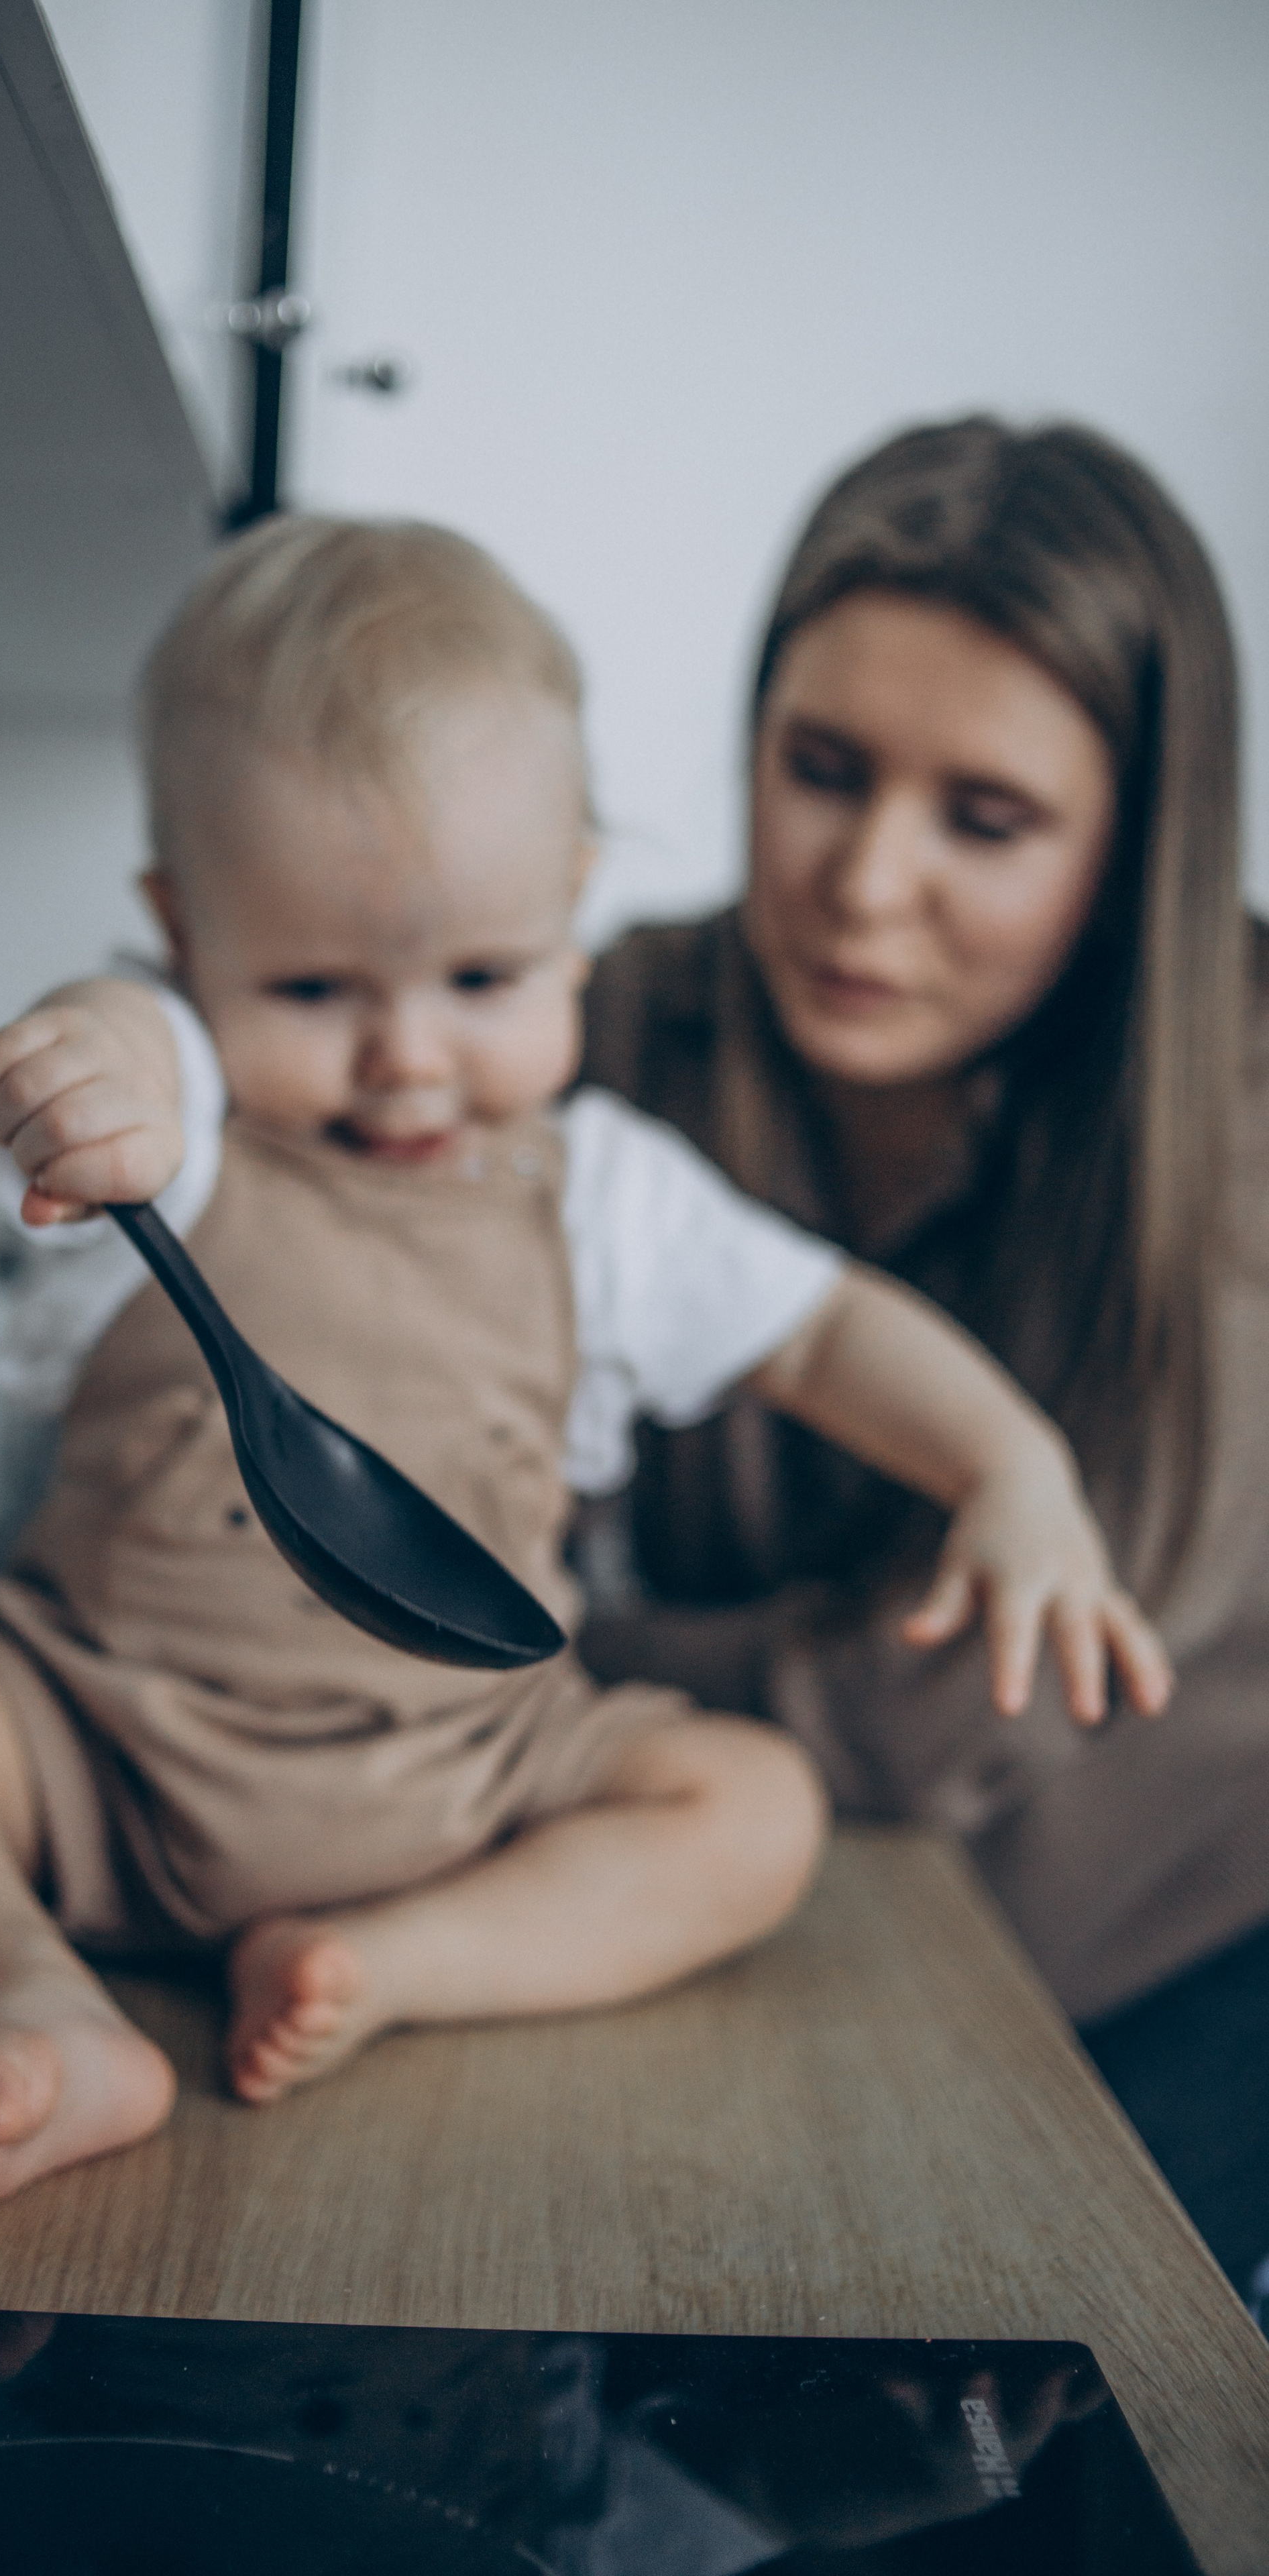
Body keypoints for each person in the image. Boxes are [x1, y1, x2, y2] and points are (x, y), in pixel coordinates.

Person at [0, 516, 1166, 2231]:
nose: (407, 1058)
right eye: (313, 986)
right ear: (183, 934)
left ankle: (394, 1961)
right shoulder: (178, 1133)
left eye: (482, 979)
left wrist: (1009, 1466)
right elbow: (124, 1048)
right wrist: (95, 1070)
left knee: (751, 1809)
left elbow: (821, 1330)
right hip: (86, 1748)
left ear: (573, 915)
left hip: (474, 1784)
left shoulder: (603, 1193)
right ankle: (17, 1984)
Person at [578, 415, 1269, 2301]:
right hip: (775, 1915)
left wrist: (554, 1661)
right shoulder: (620, 1019)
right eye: (820, 772)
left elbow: (947, 1702)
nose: (865, 883)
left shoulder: (1241, 1106)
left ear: (1132, 852)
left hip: (1172, 1967)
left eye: (985, 820)